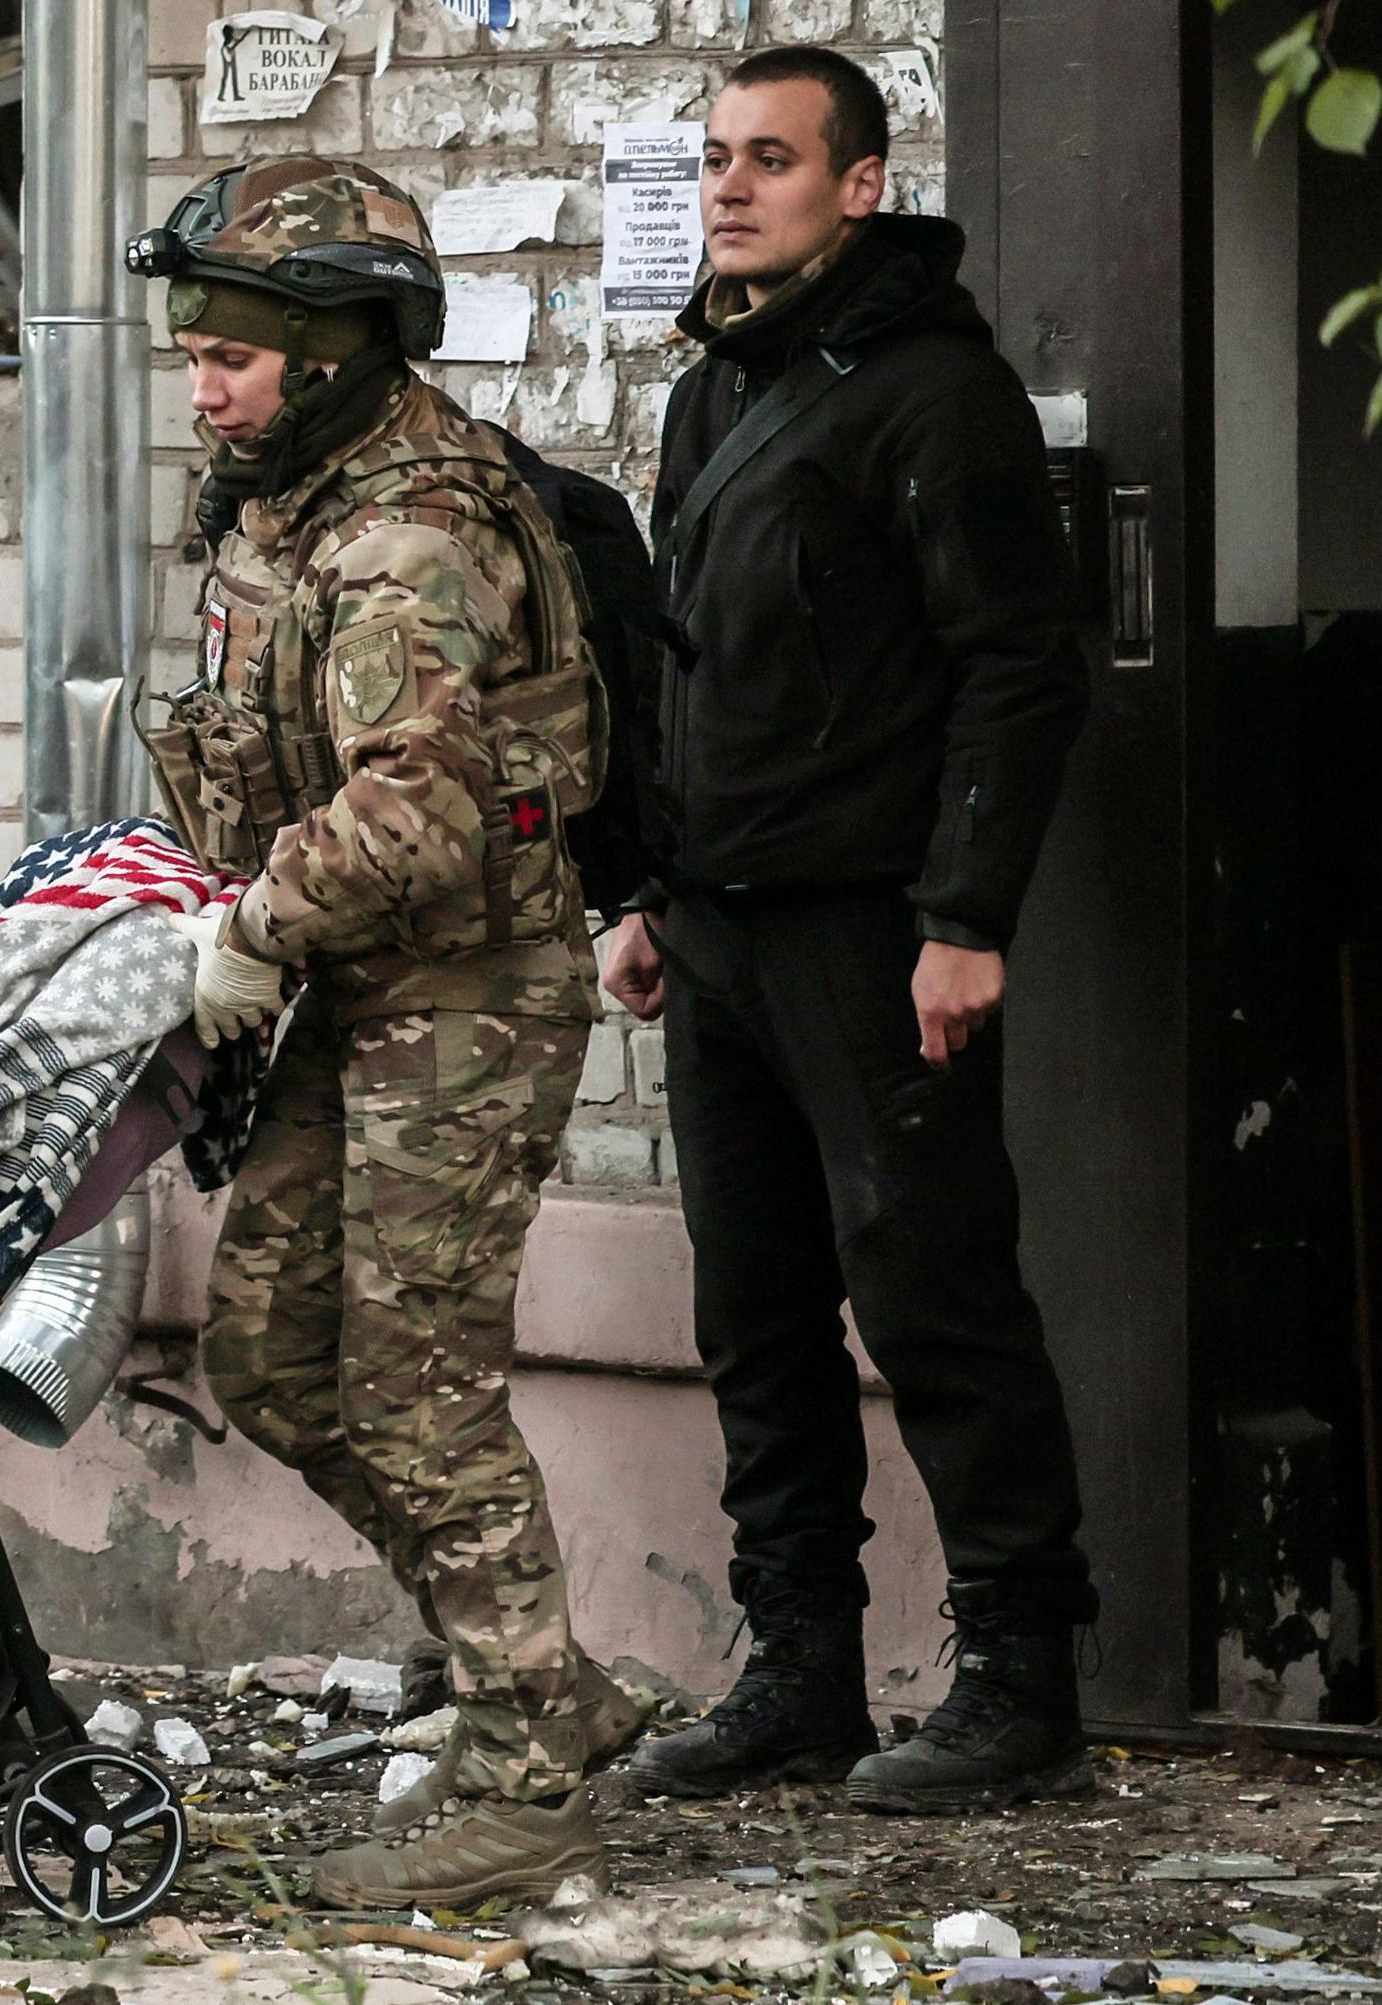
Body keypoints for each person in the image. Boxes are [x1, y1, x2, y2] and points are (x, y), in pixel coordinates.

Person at [129, 156, 641, 1907]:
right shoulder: (276, 500)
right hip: (352, 993)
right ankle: (550, 1686)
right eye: (192, 351)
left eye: (235, 356)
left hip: (466, 1003)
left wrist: (250, 934)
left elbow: (414, 804)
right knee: (273, 1362)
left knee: (417, 1397)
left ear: (335, 348)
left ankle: (524, 1786)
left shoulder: (408, 529)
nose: (204, 387)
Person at [602, 47, 1096, 1814]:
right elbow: (685, 668)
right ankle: (801, 1672)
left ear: (863, 183)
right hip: (721, 932)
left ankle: (1024, 1678)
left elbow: (1018, 676)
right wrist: (649, 889)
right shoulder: (714, 393)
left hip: (877, 933)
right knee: (753, 1317)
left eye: (774, 161)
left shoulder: (930, 397)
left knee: (935, 1299)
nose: (732, 189)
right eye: (719, 159)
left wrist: (965, 918)